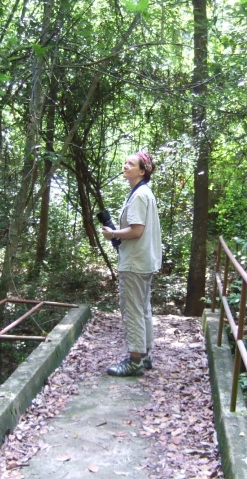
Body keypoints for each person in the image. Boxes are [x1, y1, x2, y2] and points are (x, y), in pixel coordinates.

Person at [101, 152, 162, 377]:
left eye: (131, 164)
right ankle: (144, 356)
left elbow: (137, 230)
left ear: (142, 171)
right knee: (143, 307)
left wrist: (113, 234)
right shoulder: (143, 192)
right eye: (125, 162)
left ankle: (135, 361)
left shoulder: (139, 195)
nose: (125, 166)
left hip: (135, 261)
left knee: (133, 309)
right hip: (144, 260)